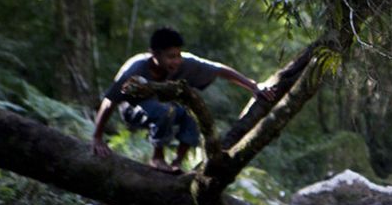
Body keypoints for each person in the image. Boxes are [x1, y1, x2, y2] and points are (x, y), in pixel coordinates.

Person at [90, 27, 276, 173]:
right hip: (133, 110)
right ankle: (157, 158)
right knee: (166, 111)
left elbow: (219, 69)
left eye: (178, 55)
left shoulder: (184, 63)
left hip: (163, 107)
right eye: (171, 57)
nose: (176, 61)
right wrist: (97, 137)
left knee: (189, 113)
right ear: (154, 54)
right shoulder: (135, 68)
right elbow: (109, 101)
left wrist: (254, 86)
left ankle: (177, 162)